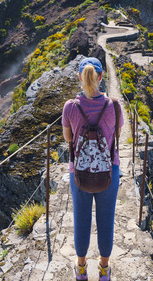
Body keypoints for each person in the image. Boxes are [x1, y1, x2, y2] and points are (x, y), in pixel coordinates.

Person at [62, 56, 122, 281]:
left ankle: (81, 268)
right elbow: (116, 135)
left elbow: (68, 138)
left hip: (79, 173)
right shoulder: (114, 106)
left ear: (80, 77)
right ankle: (104, 270)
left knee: (81, 220)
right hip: (108, 171)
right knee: (106, 219)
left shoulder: (70, 107)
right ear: (101, 77)